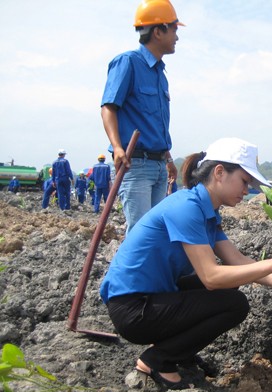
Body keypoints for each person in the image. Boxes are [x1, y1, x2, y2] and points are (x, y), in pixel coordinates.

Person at [99, 138, 272, 390]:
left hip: (154, 297)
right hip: (133, 309)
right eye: (244, 181)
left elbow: (237, 261)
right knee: (233, 303)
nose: (247, 190)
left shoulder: (207, 212)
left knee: (230, 288)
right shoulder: (187, 208)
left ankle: (177, 351)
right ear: (219, 172)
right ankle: (158, 360)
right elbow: (211, 276)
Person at [101, 0, 182, 233]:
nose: (177, 36)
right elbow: (108, 107)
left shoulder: (160, 73)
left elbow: (154, 122)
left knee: (157, 231)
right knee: (140, 233)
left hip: (157, 164)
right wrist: (117, 147)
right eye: (174, 29)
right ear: (158, 31)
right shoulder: (128, 63)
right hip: (135, 163)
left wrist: (168, 159)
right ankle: (130, 271)